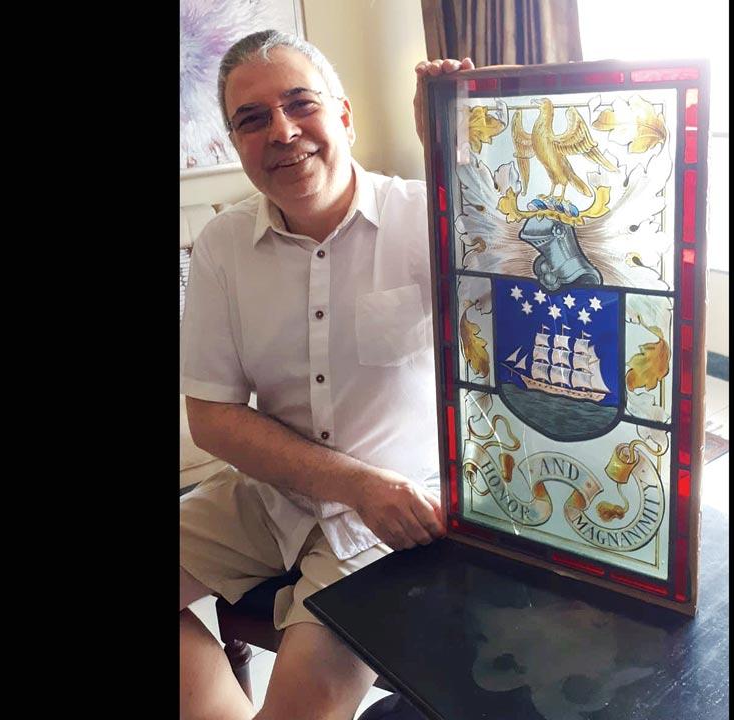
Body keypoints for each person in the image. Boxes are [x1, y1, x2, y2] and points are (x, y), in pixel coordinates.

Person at [179, 28, 473, 720]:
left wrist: (458, 159)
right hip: (270, 497)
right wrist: (352, 483)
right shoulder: (222, 246)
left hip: (397, 520)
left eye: (299, 104)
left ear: (343, 115)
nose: (281, 132)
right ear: (235, 143)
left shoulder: (427, 218)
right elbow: (212, 418)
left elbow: (529, 303)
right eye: (252, 119)